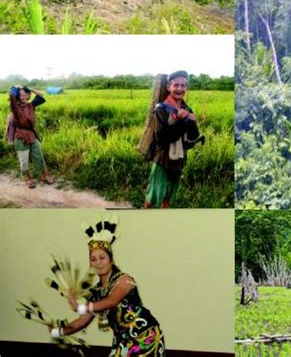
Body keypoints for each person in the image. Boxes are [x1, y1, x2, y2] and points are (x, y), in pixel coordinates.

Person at [48, 220, 166, 356]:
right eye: (93, 259)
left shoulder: (125, 280)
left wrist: (80, 307)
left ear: (111, 260)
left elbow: (112, 301)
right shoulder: (96, 293)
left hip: (145, 338)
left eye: (102, 258)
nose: (98, 263)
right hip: (122, 343)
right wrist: (57, 331)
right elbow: (81, 323)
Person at [138, 71, 204, 209]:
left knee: (168, 196)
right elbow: (162, 139)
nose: (180, 89)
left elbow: (193, 136)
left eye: (183, 85)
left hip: (178, 160)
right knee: (153, 196)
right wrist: (180, 121)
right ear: (169, 87)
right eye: (176, 85)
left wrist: (191, 121)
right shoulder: (161, 109)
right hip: (162, 160)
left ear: (186, 88)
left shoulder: (186, 108)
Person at [7, 84, 53, 188]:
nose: (23, 97)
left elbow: (41, 96)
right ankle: (29, 178)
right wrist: (16, 87)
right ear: (18, 96)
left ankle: (44, 176)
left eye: (25, 95)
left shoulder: (31, 105)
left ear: (28, 95)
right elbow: (11, 94)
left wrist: (30, 89)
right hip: (20, 136)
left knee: (38, 156)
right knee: (24, 159)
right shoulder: (15, 107)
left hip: (31, 134)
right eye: (21, 95)